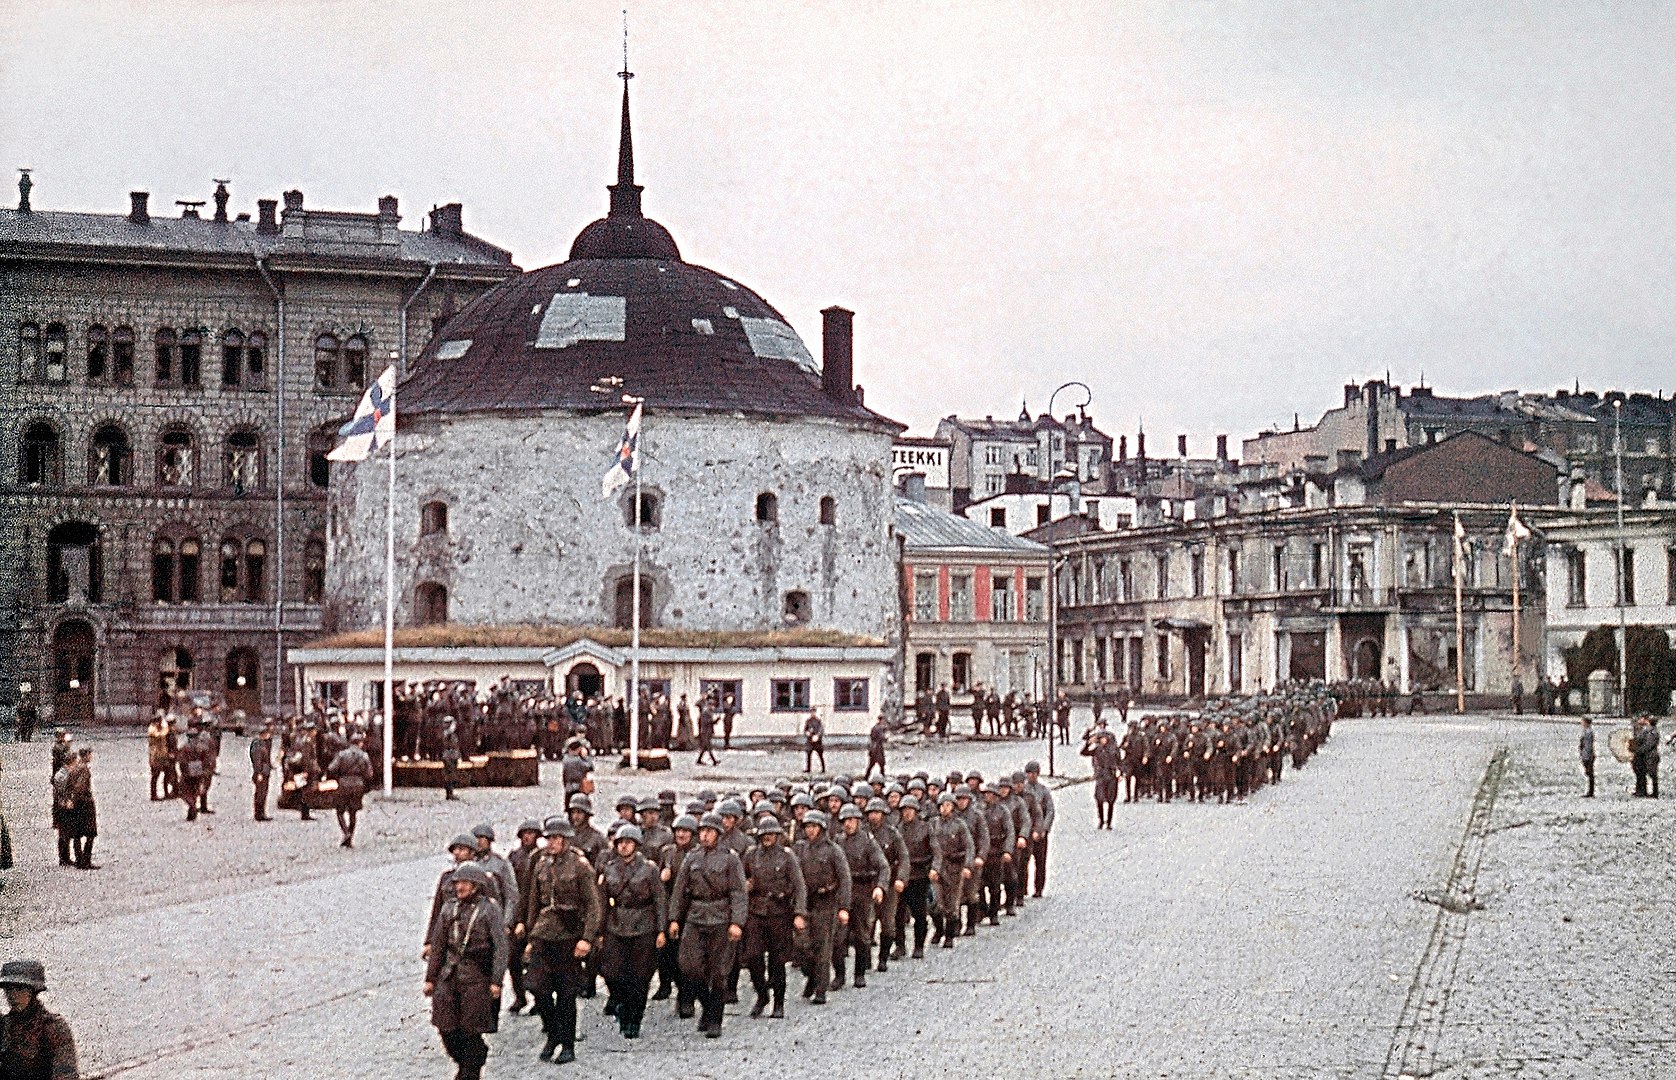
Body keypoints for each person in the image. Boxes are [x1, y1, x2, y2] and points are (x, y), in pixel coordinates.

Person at [519, 817, 601, 1064]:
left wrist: (586, 938)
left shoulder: (580, 866)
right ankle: (553, 1033)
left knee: (566, 994)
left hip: (568, 936)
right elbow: (534, 901)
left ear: (566, 840)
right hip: (544, 935)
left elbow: (593, 906)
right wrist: (531, 936)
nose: (551, 843)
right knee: (536, 986)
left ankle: (567, 1044)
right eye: (549, 838)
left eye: (556, 838)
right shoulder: (540, 863)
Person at [424, 861, 506, 1080]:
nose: (459, 887)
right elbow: (439, 944)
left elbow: (500, 947)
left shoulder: (489, 909)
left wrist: (496, 981)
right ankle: (473, 1060)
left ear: (476, 885)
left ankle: (470, 1072)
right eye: (458, 882)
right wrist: (430, 978)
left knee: (471, 1028)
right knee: (445, 1026)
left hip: (477, 977)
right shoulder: (448, 908)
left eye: (465, 883)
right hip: (449, 975)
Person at [669, 812, 748, 1037]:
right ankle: (707, 1006)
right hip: (695, 917)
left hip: (721, 919)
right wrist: (674, 919)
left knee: (719, 971)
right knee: (689, 966)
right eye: (702, 831)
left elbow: (738, 893)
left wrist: (737, 922)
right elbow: (679, 891)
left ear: (718, 835)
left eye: (709, 831)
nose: (704, 835)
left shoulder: (730, 859)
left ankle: (715, 1019)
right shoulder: (692, 858)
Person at [597, 825, 667, 1039]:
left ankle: (634, 1019)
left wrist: (661, 930)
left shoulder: (649, 869)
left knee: (639, 977)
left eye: (628, 842)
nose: (623, 846)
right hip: (616, 925)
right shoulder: (609, 868)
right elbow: (601, 902)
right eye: (620, 842)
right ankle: (619, 1003)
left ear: (636, 845)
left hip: (643, 926)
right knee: (612, 973)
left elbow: (659, 900)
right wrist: (599, 931)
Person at [740, 815, 806, 1018]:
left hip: (779, 913)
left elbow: (799, 886)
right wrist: (746, 887)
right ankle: (762, 995)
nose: (767, 837)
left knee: (777, 961)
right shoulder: (751, 855)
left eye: (771, 834)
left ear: (777, 835)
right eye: (764, 834)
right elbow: (740, 880)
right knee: (752, 957)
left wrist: (799, 913)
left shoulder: (787, 856)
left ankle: (778, 1003)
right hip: (756, 912)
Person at [792, 810, 850, 1004]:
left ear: (822, 828)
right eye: (807, 826)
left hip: (827, 903)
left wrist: (843, 907)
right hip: (805, 902)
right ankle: (812, 975)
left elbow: (844, 879)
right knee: (801, 947)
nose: (810, 830)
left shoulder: (834, 850)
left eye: (814, 827)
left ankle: (820, 990)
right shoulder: (800, 849)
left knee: (823, 948)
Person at [0, 959, 78, 1079]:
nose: (12, 996)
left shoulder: (52, 1027)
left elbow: (66, 1074)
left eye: (20, 989)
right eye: (8, 989)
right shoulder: (4, 1026)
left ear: (33, 991)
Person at [326, 734, 375, 847]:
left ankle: (345, 832)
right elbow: (369, 774)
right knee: (353, 812)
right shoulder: (364, 756)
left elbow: (331, 768)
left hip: (344, 783)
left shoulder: (342, 755)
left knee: (340, 811)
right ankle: (350, 837)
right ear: (360, 743)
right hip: (358, 785)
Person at [1023, 760, 1056, 893]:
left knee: (1040, 862)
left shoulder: (1044, 791)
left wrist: (1044, 829)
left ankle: (1039, 888)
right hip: (1027, 832)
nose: (1031, 776)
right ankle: (1023, 889)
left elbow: (1050, 811)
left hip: (1040, 831)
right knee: (1023, 862)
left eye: (1034, 773)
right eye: (1029, 773)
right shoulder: (1023, 791)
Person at [62, 748, 98, 870]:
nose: (91, 756)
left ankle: (78, 858)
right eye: (90, 754)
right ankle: (85, 860)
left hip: (75, 803)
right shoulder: (84, 769)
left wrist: (69, 799)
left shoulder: (74, 768)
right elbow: (80, 787)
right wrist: (82, 796)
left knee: (77, 833)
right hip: (84, 803)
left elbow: (68, 786)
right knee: (90, 833)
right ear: (86, 755)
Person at [249, 723, 275, 821]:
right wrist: (258, 772)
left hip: (265, 771)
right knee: (260, 793)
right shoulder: (258, 745)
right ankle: (259, 813)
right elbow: (257, 760)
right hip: (261, 772)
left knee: (263, 793)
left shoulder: (263, 743)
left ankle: (261, 812)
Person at [147, 712, 174, 800]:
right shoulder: (152, 729)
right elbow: (160, 734)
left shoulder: (161, 727)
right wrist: (166, 728)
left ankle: (166, 792)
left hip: (163, 754)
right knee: (155, 775)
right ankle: (153, 794)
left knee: (167, 773)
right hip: (155, 756)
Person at [440, 718, 462, 800]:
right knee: (450, 775)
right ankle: (449, 793)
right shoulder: (448, 734)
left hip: (450, 755)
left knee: (450, 775)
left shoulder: (447, 733)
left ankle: (450, 793)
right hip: (450, 756)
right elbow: (450, 745)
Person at [695, 699, 719, 767]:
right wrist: (713, 720)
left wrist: (717, 720)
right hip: (705, 732)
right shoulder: (705, 712)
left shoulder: (709, 712)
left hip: (708, 731)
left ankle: (699, 760)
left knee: (704, 747)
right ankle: (714, 761)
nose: (713, 707)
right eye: (712, 705)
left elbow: (711, 722)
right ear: (709, 705)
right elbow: (705, 722)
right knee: (709, 747)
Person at [865, 715, 888, 781]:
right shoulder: (878, 728)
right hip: (877, 749)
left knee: (872, 764)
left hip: (874, 748)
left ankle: (866, 777)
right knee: (881, 764)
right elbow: (881, 737)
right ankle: (882, 777)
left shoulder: (875, 727)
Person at [1578, 717, 1595, 798]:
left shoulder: (1588, 732)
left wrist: (1586, 755)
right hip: (1585, 754)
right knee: (1588, 772)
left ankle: (1591, 791)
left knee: (1589, 773)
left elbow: (1587, 745)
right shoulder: (1586, 731)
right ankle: (1590, 790)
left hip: (1587, 755)